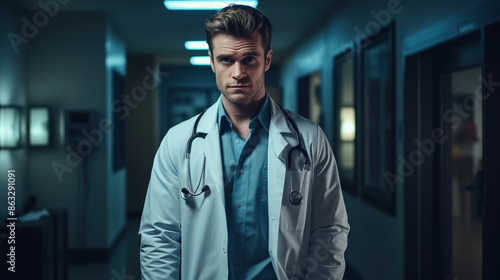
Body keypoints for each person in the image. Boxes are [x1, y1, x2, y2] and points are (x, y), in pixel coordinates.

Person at [139, 4, 349, 280]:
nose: (238, 72)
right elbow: (159, 236)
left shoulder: (309, 139)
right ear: (212, 61)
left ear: (267, 59)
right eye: (226, 60)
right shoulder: (178, 141)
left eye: (249, 59)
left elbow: (329, 230)